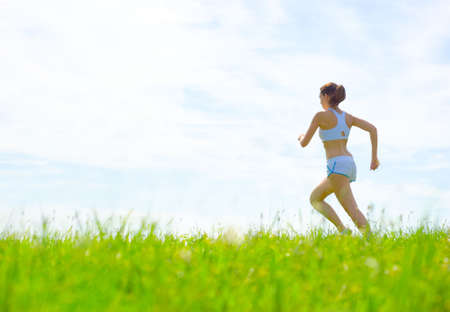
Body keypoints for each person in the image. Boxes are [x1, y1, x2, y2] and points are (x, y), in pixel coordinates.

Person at [297, 82, 379, 236]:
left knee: (352, 209)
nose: (320, 101)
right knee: (315, 198)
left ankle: (372, 240)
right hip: (348, 164)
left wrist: (301, 136)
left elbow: (304, 143)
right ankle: (343, 231)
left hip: (336, 165)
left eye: (320, 97)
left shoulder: (320, 116)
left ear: (326, 96)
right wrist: (374, 158)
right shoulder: (347, 117)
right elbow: (372, 129)